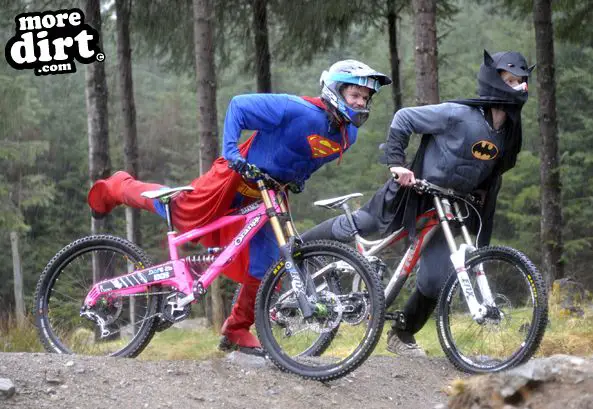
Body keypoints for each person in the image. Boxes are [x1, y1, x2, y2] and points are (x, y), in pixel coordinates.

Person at [86, 59, 391, 356]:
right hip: (234, 179)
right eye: (355, 95)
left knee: (268, 264)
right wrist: (231, 152)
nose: (361, 102)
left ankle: (236, 329)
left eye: (365, 97)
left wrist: (299, 179)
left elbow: (308, 157)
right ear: (335, 91)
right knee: (179, 211)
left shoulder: (347, 134)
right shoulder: (297, 109)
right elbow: (239, 106)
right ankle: (116, 187)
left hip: (268, 194)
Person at [301, 50, 534, 356]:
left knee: (437, 278)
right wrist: (397, 164)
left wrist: (480, 192)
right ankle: (297, 250)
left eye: (522, 81)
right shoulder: (458, 114)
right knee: (367, 224)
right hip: (413, 192)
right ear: (494, 80)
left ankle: (402, 334)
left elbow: (493, 168)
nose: (520, 87)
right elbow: (404, 117)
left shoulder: (508, 132)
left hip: (450, 208)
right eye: (512, 80)